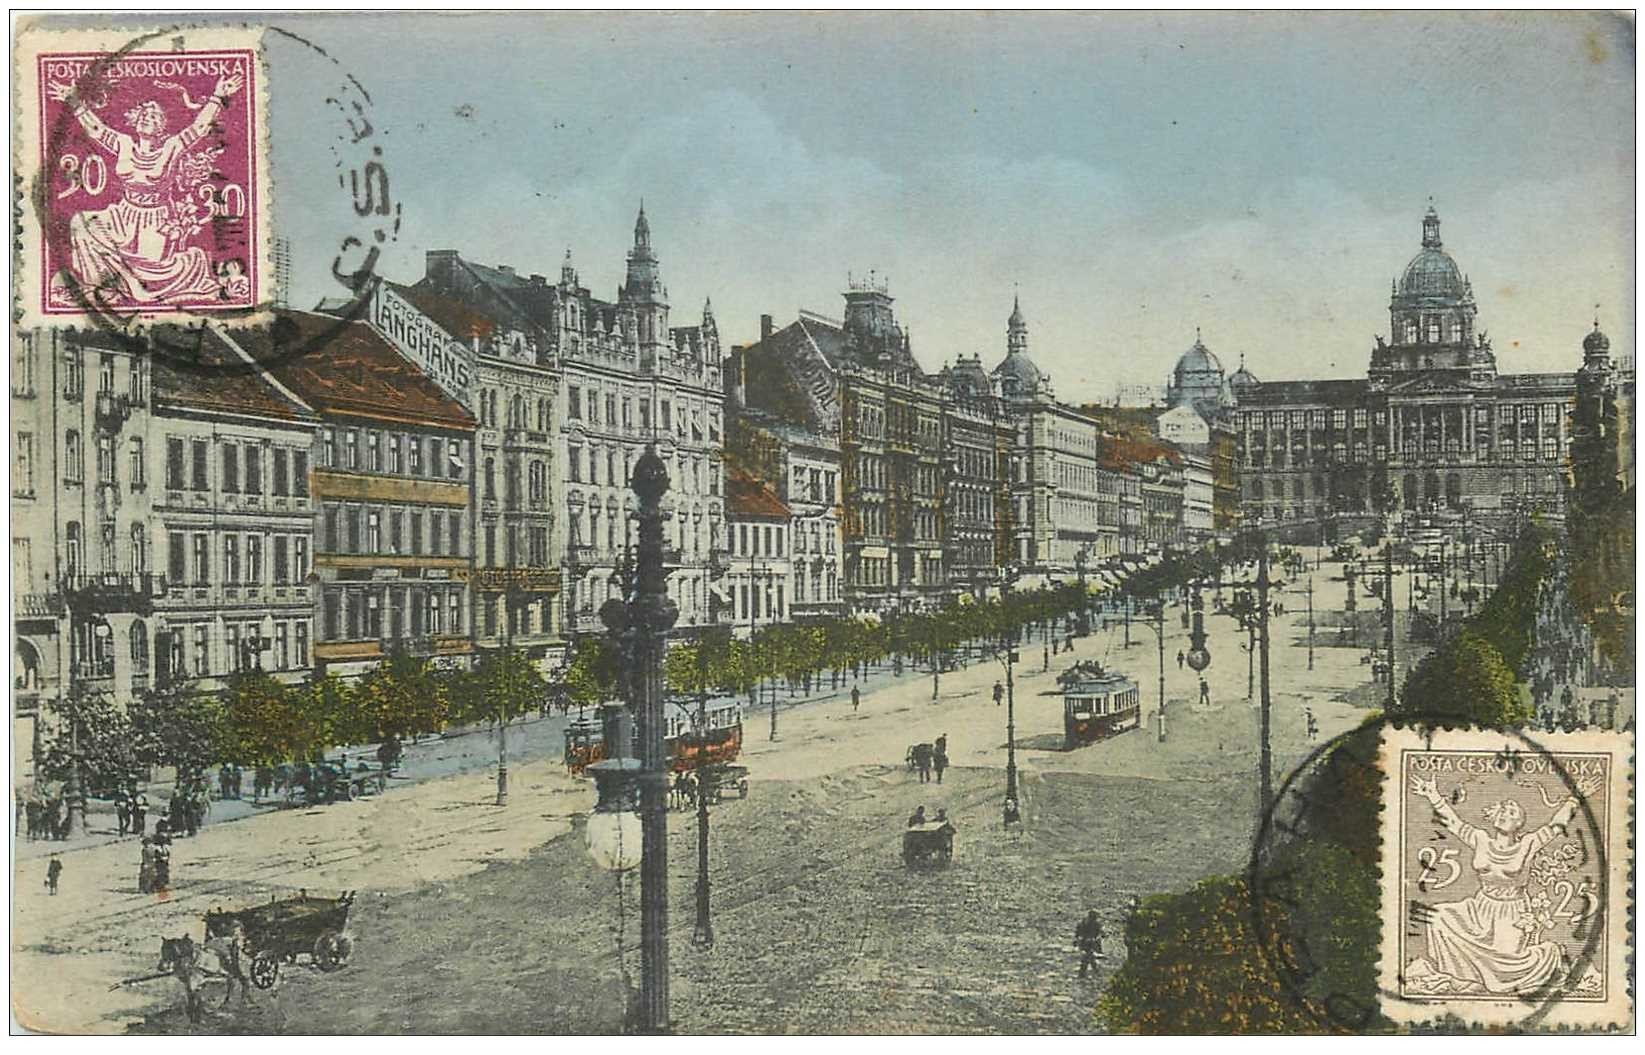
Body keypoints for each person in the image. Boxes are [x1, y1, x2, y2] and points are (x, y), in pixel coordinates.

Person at [1405, 771, 1603, 994]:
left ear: (1519, 822)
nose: (1503, 815)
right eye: (1502, 811)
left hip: (1512, 912)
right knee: (1437, 917)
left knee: (1505, 970)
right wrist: (1433, 795)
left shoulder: (1528, 843)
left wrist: (1575, 798)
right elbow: (1453, 823)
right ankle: (1462, 977)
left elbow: (1556, 826)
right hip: (1479, 909)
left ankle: (1550, 954)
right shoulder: (1480, 838)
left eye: (1510, 812)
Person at [1075, 910, 1105, 976]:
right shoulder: (1084, 923)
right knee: (1088, 956)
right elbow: (1078, 933)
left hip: (1090, 942)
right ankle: (1094, 972)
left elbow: (1101, 933)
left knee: (1088, 957)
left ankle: (1084, 972)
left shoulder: (1094, 923)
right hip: (1086, 942)